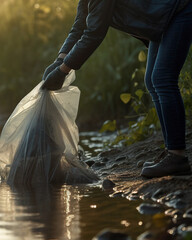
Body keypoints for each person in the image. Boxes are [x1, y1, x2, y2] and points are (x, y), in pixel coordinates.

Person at [41, 0, 192, 178]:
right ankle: (171, 151)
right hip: (163, 19)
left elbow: (94, 34)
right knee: (153, 81)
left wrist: (63, 71)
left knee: (163, 79)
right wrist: (60, 60)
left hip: (179, 10)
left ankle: (177, 157)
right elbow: (80, 25)